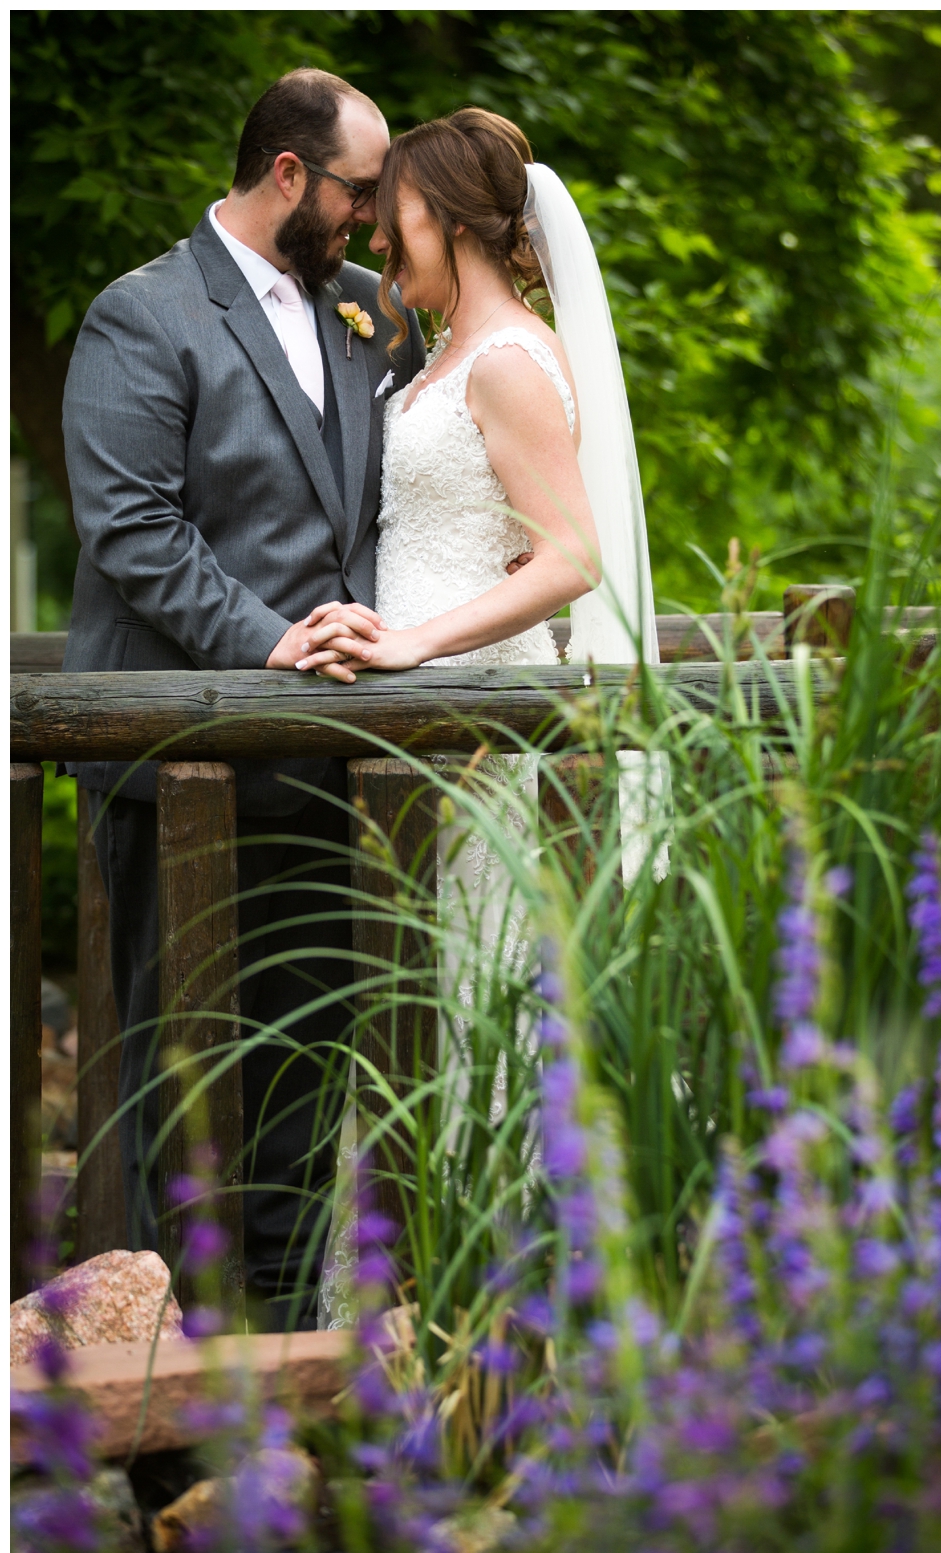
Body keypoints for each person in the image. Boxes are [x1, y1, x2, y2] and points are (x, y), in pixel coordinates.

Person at [61, 69, 424, 1331]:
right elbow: (132, 531)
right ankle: (169, 1357)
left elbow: (396, 510)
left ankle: (283, 1342)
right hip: (191, 763)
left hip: (338, 762)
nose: (376, 224)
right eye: (360, 194)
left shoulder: (375, 312)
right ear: (287, 176)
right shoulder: (143, 315)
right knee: (186, 1074)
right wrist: (276, 646)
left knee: (308, 1067)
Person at [294, 107, 659, 1325]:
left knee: (481, 1006)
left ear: (447, 218)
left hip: (479, 722)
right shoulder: (448, 348)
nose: (384, 246)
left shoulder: (505, 360)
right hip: (420, 730)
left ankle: (498, 1316)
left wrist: (410, 641)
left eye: (396, 220)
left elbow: (567, 560)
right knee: (426, 1006)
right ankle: (424, 1310)